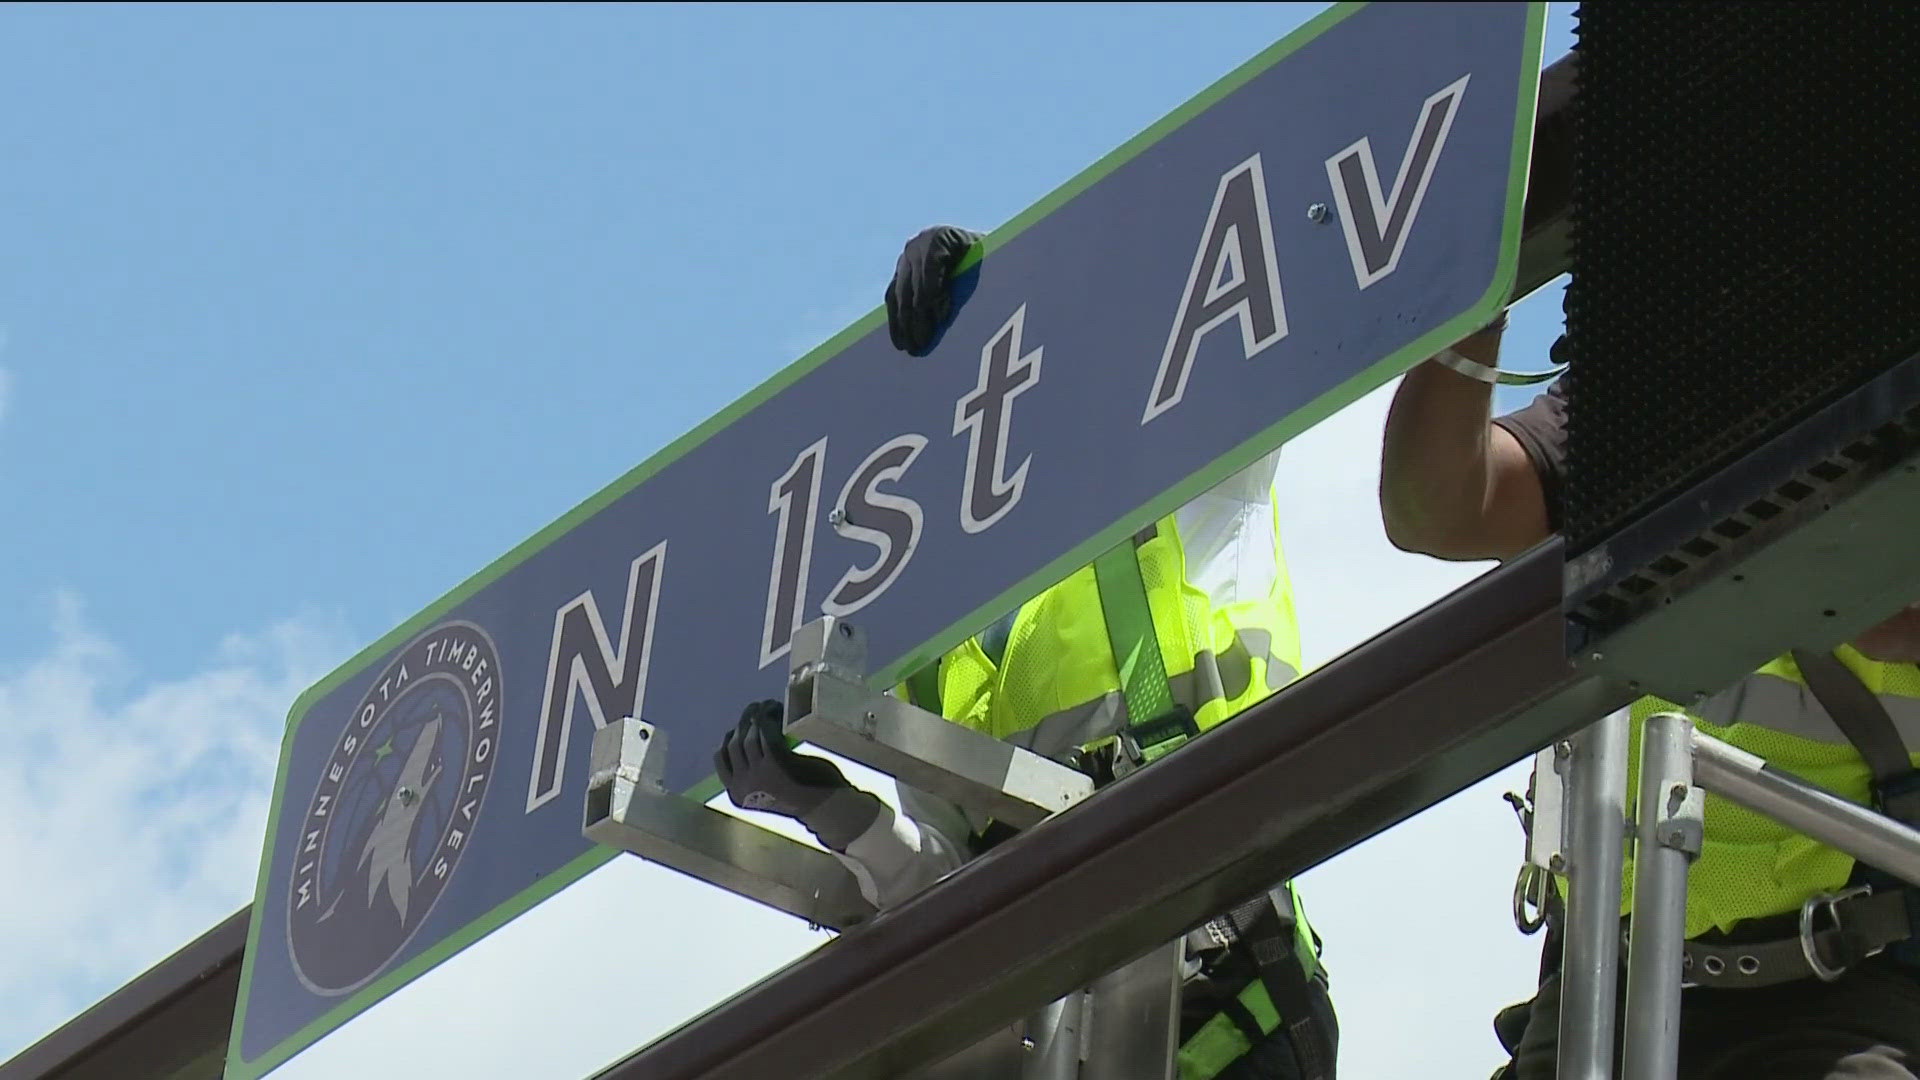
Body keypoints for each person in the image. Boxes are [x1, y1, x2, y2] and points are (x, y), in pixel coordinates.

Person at [712, 226, 1338, 1080]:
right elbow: (940, 888)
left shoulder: (1188, 487)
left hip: (1233, 1021)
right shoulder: (931, 651)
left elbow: (1249, 285)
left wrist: (1001, 274)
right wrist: (828, 805)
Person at [1380, 302, 1920, 1078]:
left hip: (1845, 999)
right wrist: (1477, 293)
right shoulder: (1663, 394)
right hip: (1605, 992)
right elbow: (1441, 509)